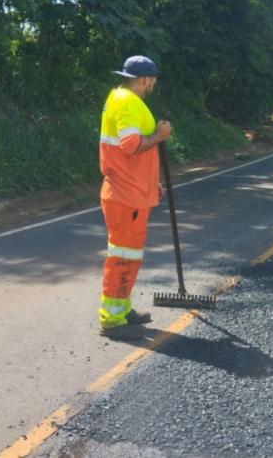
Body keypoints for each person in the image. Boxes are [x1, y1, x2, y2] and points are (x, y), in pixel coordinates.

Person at [98, 55, 172, 340]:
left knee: (129, 256)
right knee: (123, 258)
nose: (153, 85)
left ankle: (123, 309)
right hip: (126, 194)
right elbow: (131, 146)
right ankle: (112, 320)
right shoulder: (128, 102)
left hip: (131, 190)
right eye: (152, 81)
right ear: (145, 79)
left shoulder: (118, 97)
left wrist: (151, 184)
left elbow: (128, 152)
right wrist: (160, 135)